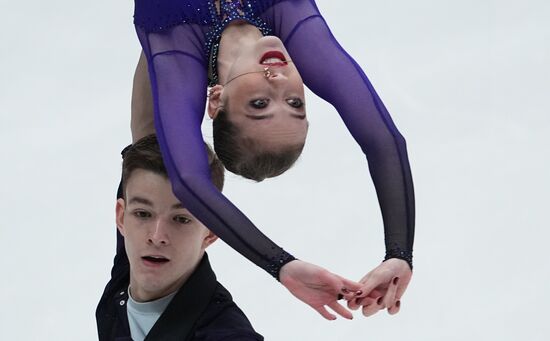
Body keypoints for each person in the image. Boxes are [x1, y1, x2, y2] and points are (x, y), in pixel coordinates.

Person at [130, 0, 414, 318]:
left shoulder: (176, 41)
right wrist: (399, 254)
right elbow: (383, 141)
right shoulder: (285, 14)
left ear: (216, 100)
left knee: (147, 148)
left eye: (260, 103)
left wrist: (282, 266)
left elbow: (188, 180)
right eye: (294, 102)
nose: (278, 80)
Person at [96, 134, 264, 340]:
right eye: (143, 214)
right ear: (122, 218)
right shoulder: (128, 272)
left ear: (210, 231)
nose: (157, 237)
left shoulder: (223, 333)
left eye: (181, 219)